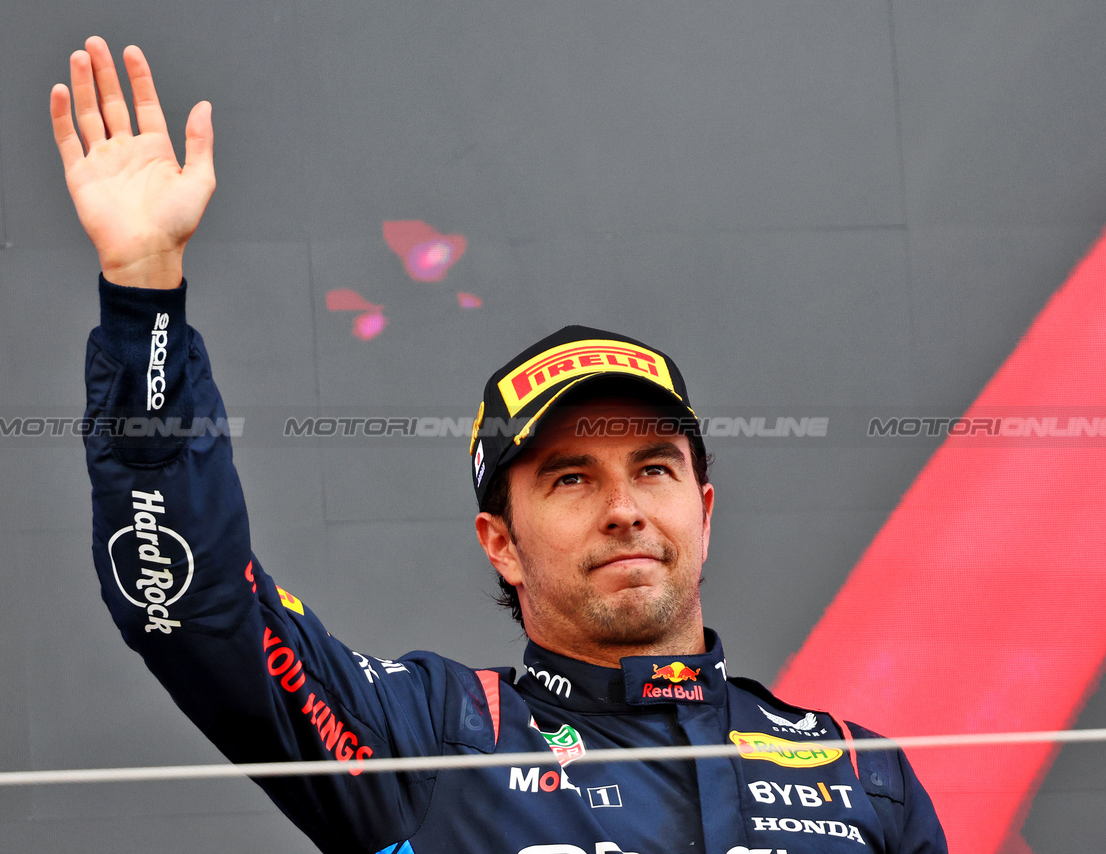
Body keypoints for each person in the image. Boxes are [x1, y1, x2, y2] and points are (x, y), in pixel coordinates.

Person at [53, 36, 949, 854]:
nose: (625, 508)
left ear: (704, 513)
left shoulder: (862, 780)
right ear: (502, 543)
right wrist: (143, 293)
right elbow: (189, 598)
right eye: (570, 479)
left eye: (654, 468)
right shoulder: (431, 741)